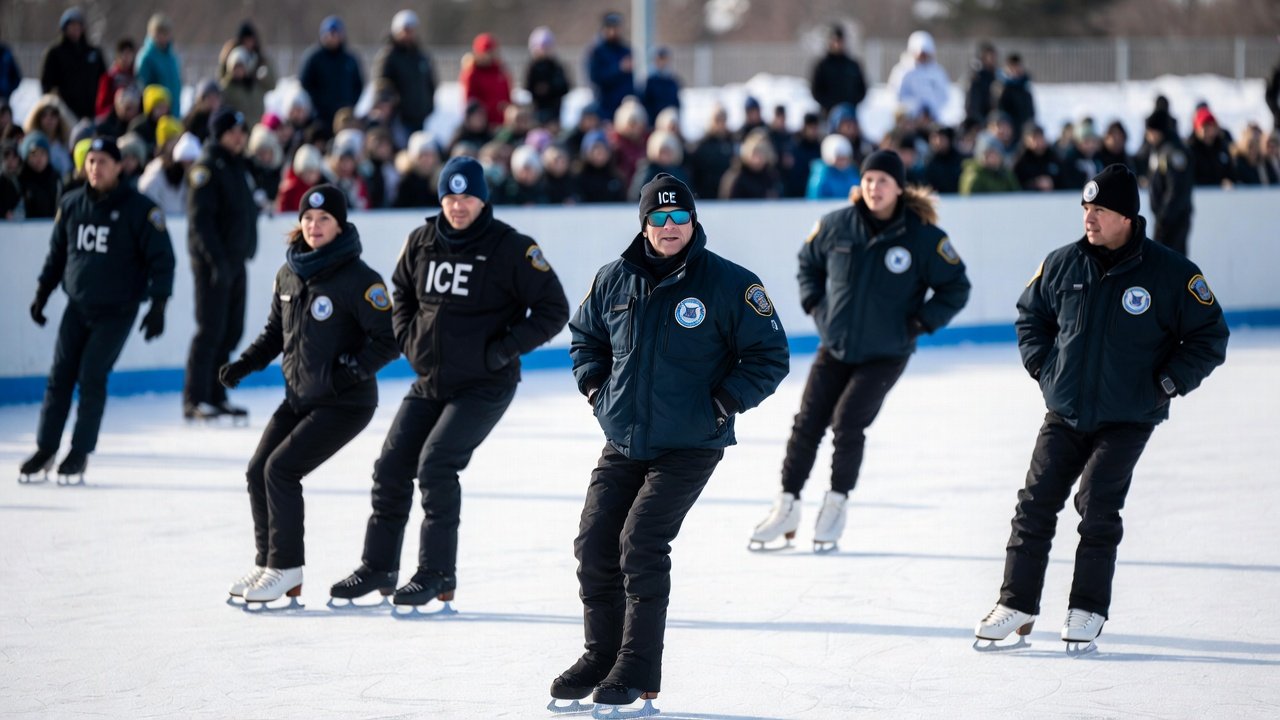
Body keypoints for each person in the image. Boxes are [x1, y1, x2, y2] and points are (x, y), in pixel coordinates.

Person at [550, 173, 789, 712]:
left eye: (679, 216)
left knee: (641, 542)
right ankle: (600, 654)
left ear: (693, 220)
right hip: (625, 439)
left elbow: (771, 356)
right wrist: (595, 388)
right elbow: (585, 336)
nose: (669, 227)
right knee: (594, 544)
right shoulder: (614, 279)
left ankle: (636, 668)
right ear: (643, 224)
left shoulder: (729, 284)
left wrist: (723, 403)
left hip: (691, 444)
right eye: (658, 218)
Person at [974, 164, 1228, 649]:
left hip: (1129, 417)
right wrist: (1044, 370)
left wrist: (1168, 383)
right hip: (1065, 411)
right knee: (1033, 506)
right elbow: (1031, 316)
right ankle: (1017, 604)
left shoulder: (1172, 273)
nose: (1089, 218)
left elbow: (1210, 336)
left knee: (1097, 508)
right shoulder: (1062, 263)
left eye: (1101, 210)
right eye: (1086, 209)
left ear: (1128, 217)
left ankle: (1087, 609)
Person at [328, 156, 569, 607]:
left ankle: (437, 574)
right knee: (391, 466)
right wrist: (406, 336)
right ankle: (378, 566)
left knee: (436, 465)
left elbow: (555, 308)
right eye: (450, 197)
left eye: (468, 198)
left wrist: (501, 350)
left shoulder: (511, 248)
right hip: (430, 378)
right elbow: (400, 290)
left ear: (483, 200)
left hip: (485, 383)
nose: (458, 207)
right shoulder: (421, 241)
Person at [750, 150, 970, 553]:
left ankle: (835, 505)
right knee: (807, 423)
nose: (874, 187)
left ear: (899, 187)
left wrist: (920, 322)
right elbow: (807, 263)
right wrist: (816, 306)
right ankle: (787, 505)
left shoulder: (922, 237)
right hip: (835, 346)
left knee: (848, 423)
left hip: (886, 352)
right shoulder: (836, 225)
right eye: (868, 179)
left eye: (883, 180)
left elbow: (956, 285)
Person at [217, 186, 398, 603]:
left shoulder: (360, 279)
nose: (314, 226)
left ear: (340, 225)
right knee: (257, 469)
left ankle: (286, 567)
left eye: (324, 220)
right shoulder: (289, 273)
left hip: (346, 402)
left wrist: (348, 372)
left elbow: (388, 339)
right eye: (308, 219)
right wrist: (244, 364)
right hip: (300, 397)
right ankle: (267, 563)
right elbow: (273, 334)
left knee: (281, 470)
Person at [19, 137, 174, 484]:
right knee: (59, 376)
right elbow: (57, 254)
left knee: (91, 375)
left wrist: (159, 304)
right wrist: (42, 293)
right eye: (91, 161)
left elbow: (162, 259)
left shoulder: (140, 209)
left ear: (119, 166)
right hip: (77, 306)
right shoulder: (72, 204)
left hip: (117, 310)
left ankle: (80, 451)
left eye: (103, 161)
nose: (95, 168)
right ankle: (46, 448)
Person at [184, 107, 259, 421]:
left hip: (236, 260)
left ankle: (217, 394)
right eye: (233, 132)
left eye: (242, 132)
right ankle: (195, 398)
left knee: (231, 331)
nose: (239, 137)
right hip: (213, 264)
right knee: (210, 330)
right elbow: (201, 222)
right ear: (219, 134)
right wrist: (216, 262)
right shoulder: (207, 168)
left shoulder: (237, 166)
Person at [373, 10, 437, 136]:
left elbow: (431, 83)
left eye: (411, 30)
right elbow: (382, 85)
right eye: (405, 30)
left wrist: (428, 106)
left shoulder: (421, 56)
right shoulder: (388, 56)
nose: (408, 34)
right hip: (398, 119)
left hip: (420, 116)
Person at [39, 7, 106, 123]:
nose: (75, 29)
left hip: (92, 112)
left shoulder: (94, 52)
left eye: (78, 25)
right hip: (64, 114)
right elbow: (46, 85)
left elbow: (104, 80)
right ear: (64, 28)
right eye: (72, 25)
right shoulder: (55, 53)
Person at [299, 16, 364, 133]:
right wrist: (318, 104)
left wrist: (349, 104)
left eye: (336, 33)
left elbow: (358, 85)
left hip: (344, 118)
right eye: (330, 33)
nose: (332, 37)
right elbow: (305, 84)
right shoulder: (314, 58)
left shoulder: (349, 59)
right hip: (320, 117)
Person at [1144, 108, 1194, 256]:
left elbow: (1176, 189)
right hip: (1164, 220)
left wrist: (1164, 217)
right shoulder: (1160, 150)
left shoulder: (1172, 152)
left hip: (1173, 221)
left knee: (1171, 265)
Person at [887, 31, 950, 123]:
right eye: (920, 54)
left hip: (932, 118)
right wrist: (913, 108)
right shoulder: (903, 71)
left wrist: (930, 109)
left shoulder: (937, 72)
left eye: (925, 54)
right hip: (909, 120)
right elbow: (895, 94)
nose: (922, 57)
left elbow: (943, 95)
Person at [810, 24, 867, 121]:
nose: (838, 44)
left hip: (849, 114)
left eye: (840, 41)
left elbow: (862, 88)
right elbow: (816, 90)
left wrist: (851, 103)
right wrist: (830, 105)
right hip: (828, 114)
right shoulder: (822, 65)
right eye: (835, 40)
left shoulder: (852, 65)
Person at [586, 12, 635, 124]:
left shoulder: (625, 50)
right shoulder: (596, 51)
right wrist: (619, 69)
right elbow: (595, 77)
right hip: (604, 106)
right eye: (610, 27)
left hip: (623, 106)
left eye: (616, 27)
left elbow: (630, 80)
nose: (613, 31)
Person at [460, 34, 512, 129]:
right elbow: (470, 100)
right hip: (483, 125)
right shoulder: (472, 72)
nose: (488, 56)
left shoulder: (500, 70)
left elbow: (507, 94)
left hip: (502, 121)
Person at [135, 14, 181, 117]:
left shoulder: (171, 56)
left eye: (166, 33)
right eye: (160, 33)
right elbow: (142, 86)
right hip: (156, 113)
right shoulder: (146, 57)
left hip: (173, 111)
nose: (163, 37)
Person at [525, 26, 571, 127]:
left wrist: (550, 88)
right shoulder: (532, 67)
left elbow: (566, 86)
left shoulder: (556, 66)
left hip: (555, 110)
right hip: (537, 110)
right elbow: (527, 86)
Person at [94, 39, 136, 122]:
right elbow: (101, 107)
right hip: (114, 121)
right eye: (123, 54)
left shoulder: (136, 75)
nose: (126, 58)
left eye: (129, 54)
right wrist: (118, 108)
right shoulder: (109, 78)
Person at [641, 46, 681, 125]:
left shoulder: (672, 81)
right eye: (659, 59)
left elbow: (676, 103)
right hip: (653, 122)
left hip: (669, 122)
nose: (662, 62)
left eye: (664, 59)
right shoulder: (648, 81)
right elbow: (645, 102)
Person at [965, 42, 997, 126]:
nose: (992, 59)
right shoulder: (976, 77)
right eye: (989, 56)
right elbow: (973, 104)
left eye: (993, 56)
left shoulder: (996, 75)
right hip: (979, 121)